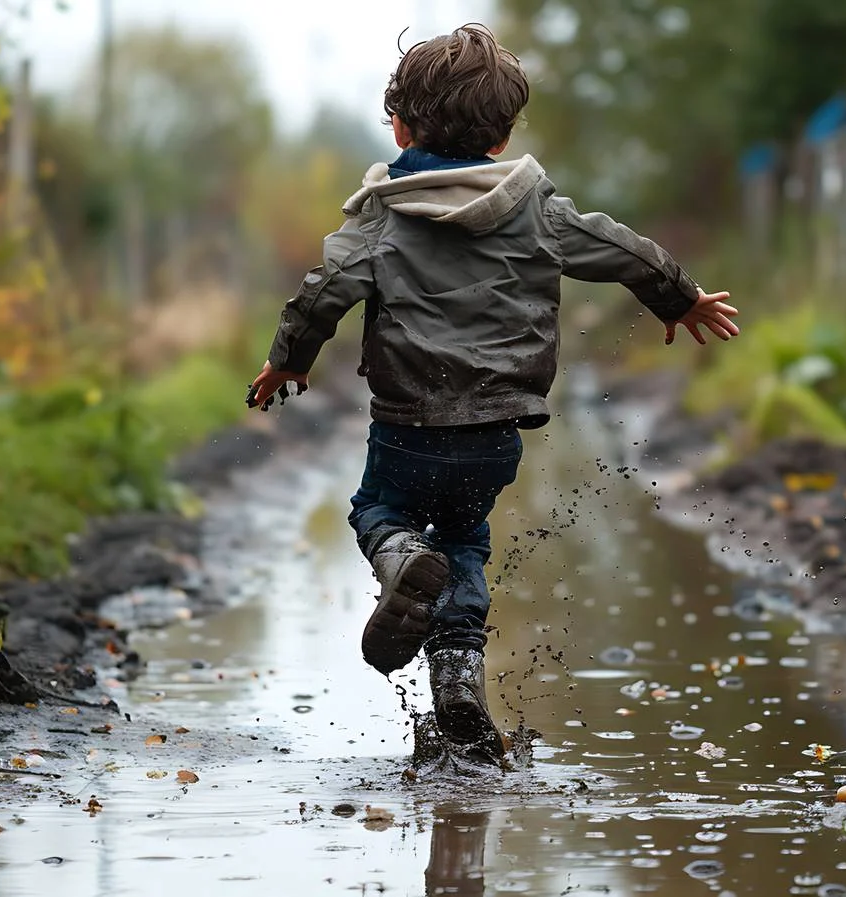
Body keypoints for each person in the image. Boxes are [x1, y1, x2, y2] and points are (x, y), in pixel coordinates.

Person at [246, 23, 739, 765]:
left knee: (381, 510)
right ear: (503, 137)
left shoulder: (382, 216)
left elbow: (324, 293)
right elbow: (619, 249)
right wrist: (679, 300)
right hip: (496, 431)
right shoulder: (534, 209)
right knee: (467, 539)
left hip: (407, 423)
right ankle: (457, 679)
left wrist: (289, 361)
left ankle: (400, 556)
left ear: (401, 126)